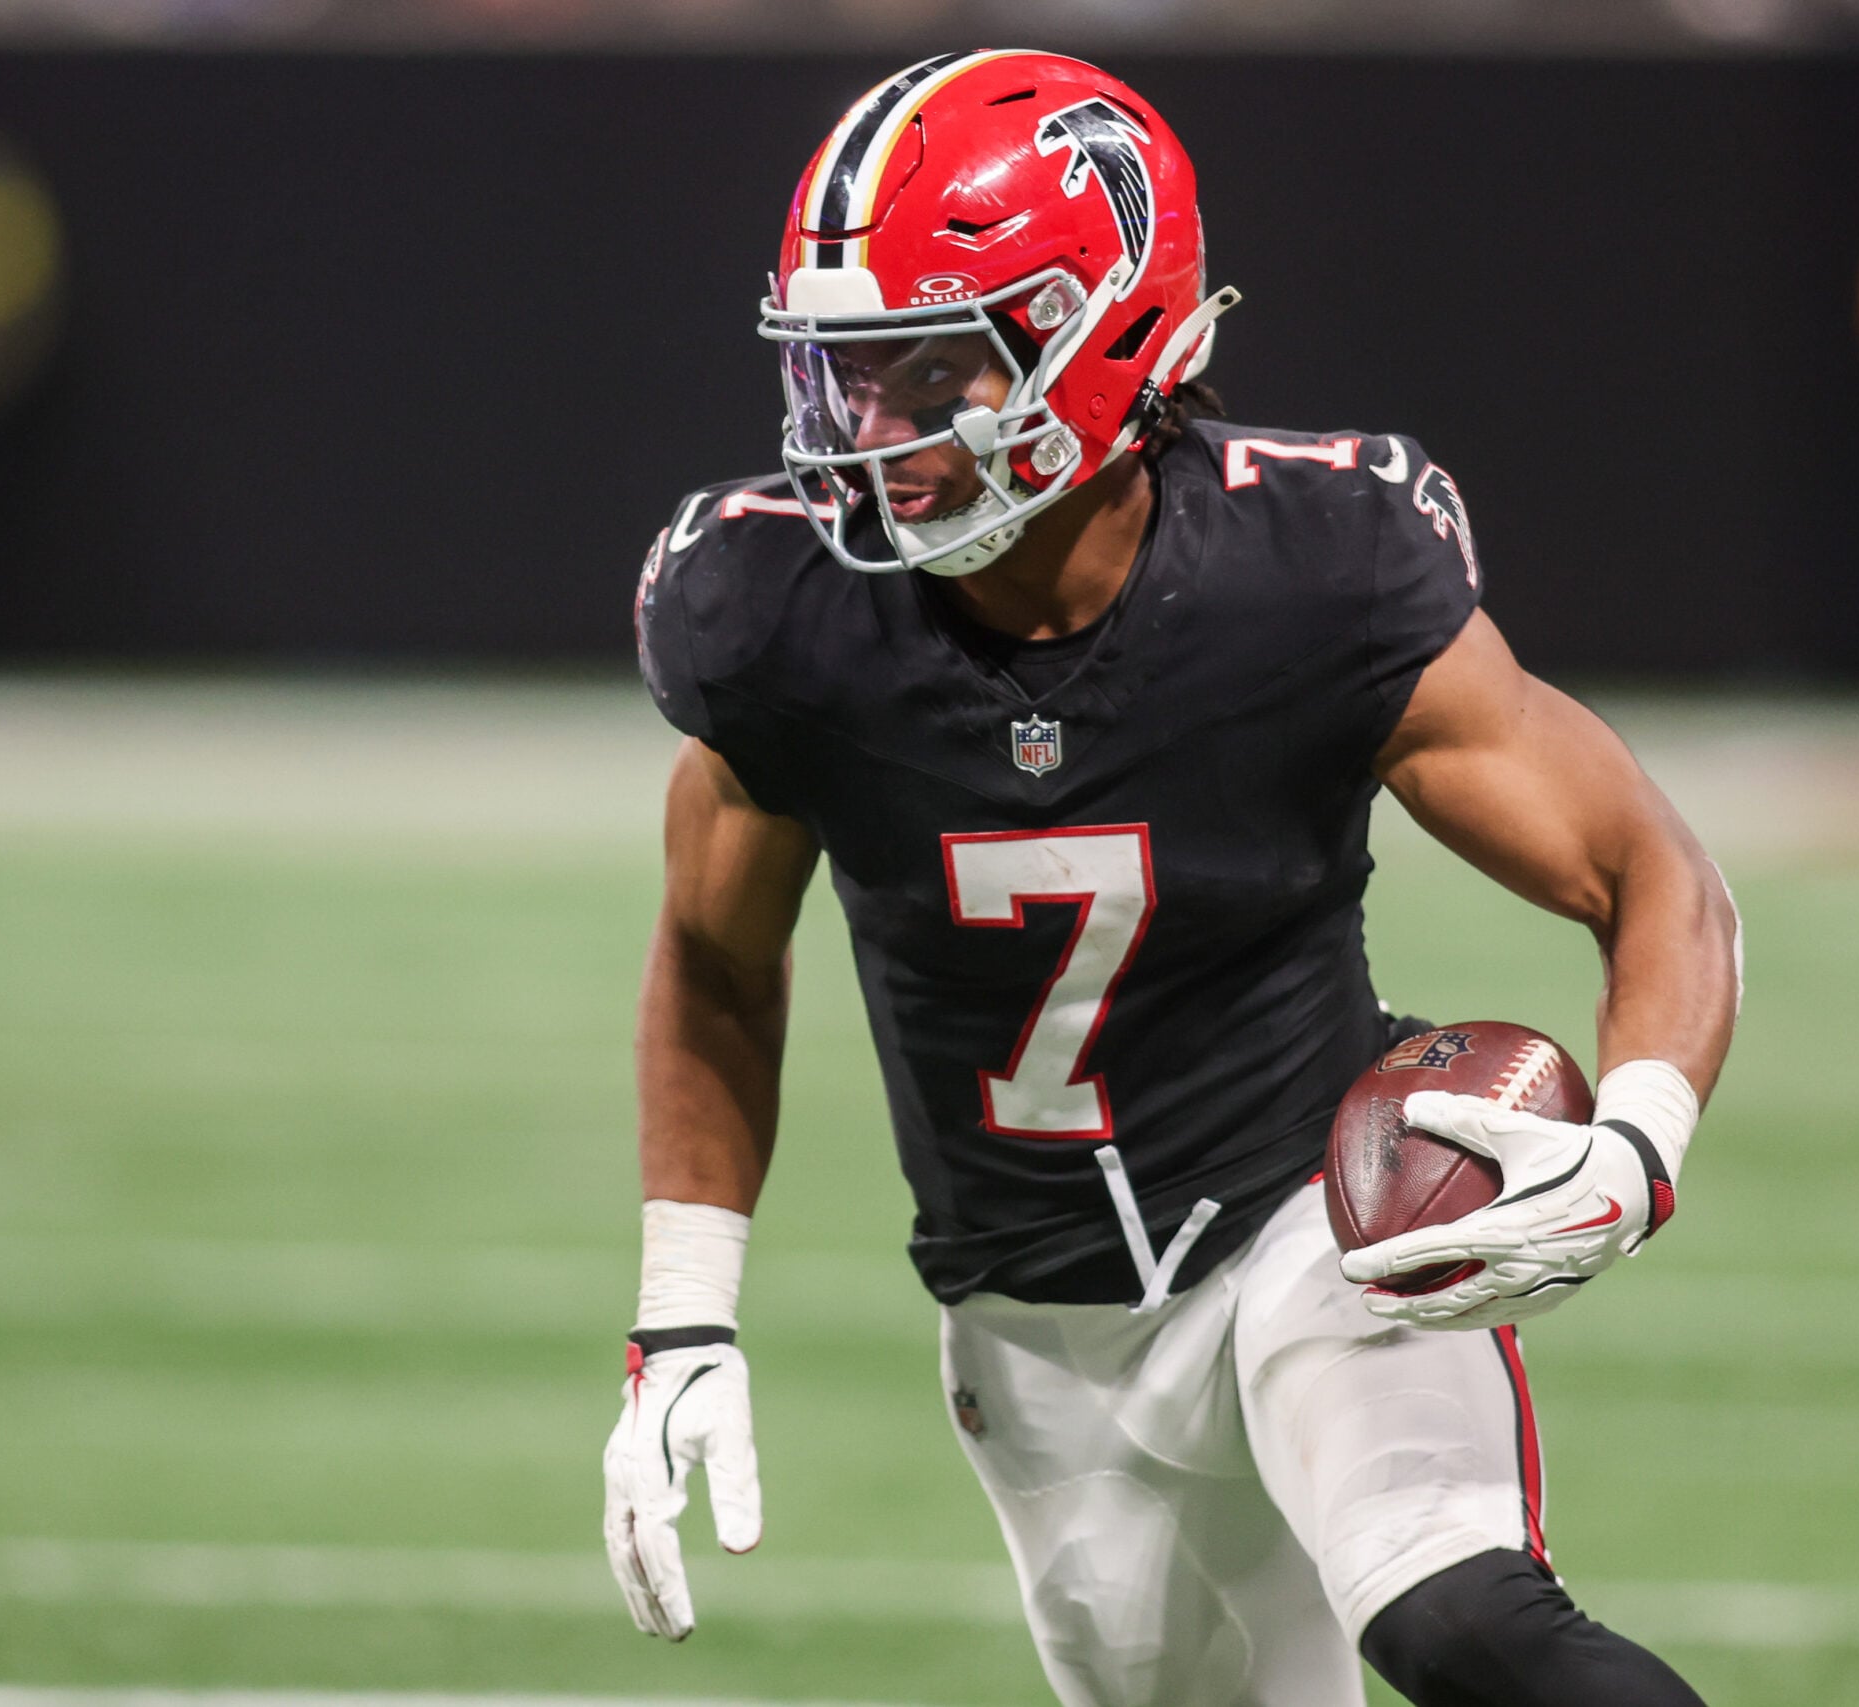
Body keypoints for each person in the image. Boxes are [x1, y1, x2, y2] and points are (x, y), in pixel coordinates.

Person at [604, 49, 1741, 1707]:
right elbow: (715, 958)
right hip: (1028, 1318)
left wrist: (1640, 1135)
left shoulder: (1314, 577)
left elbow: (1650, 871)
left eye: (930, 370)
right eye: (842, 376)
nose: (871, 434)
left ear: (1106, 340)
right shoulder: (775, 618)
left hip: (1320, 1215)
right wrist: (682, 1316)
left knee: (1469, 1632)